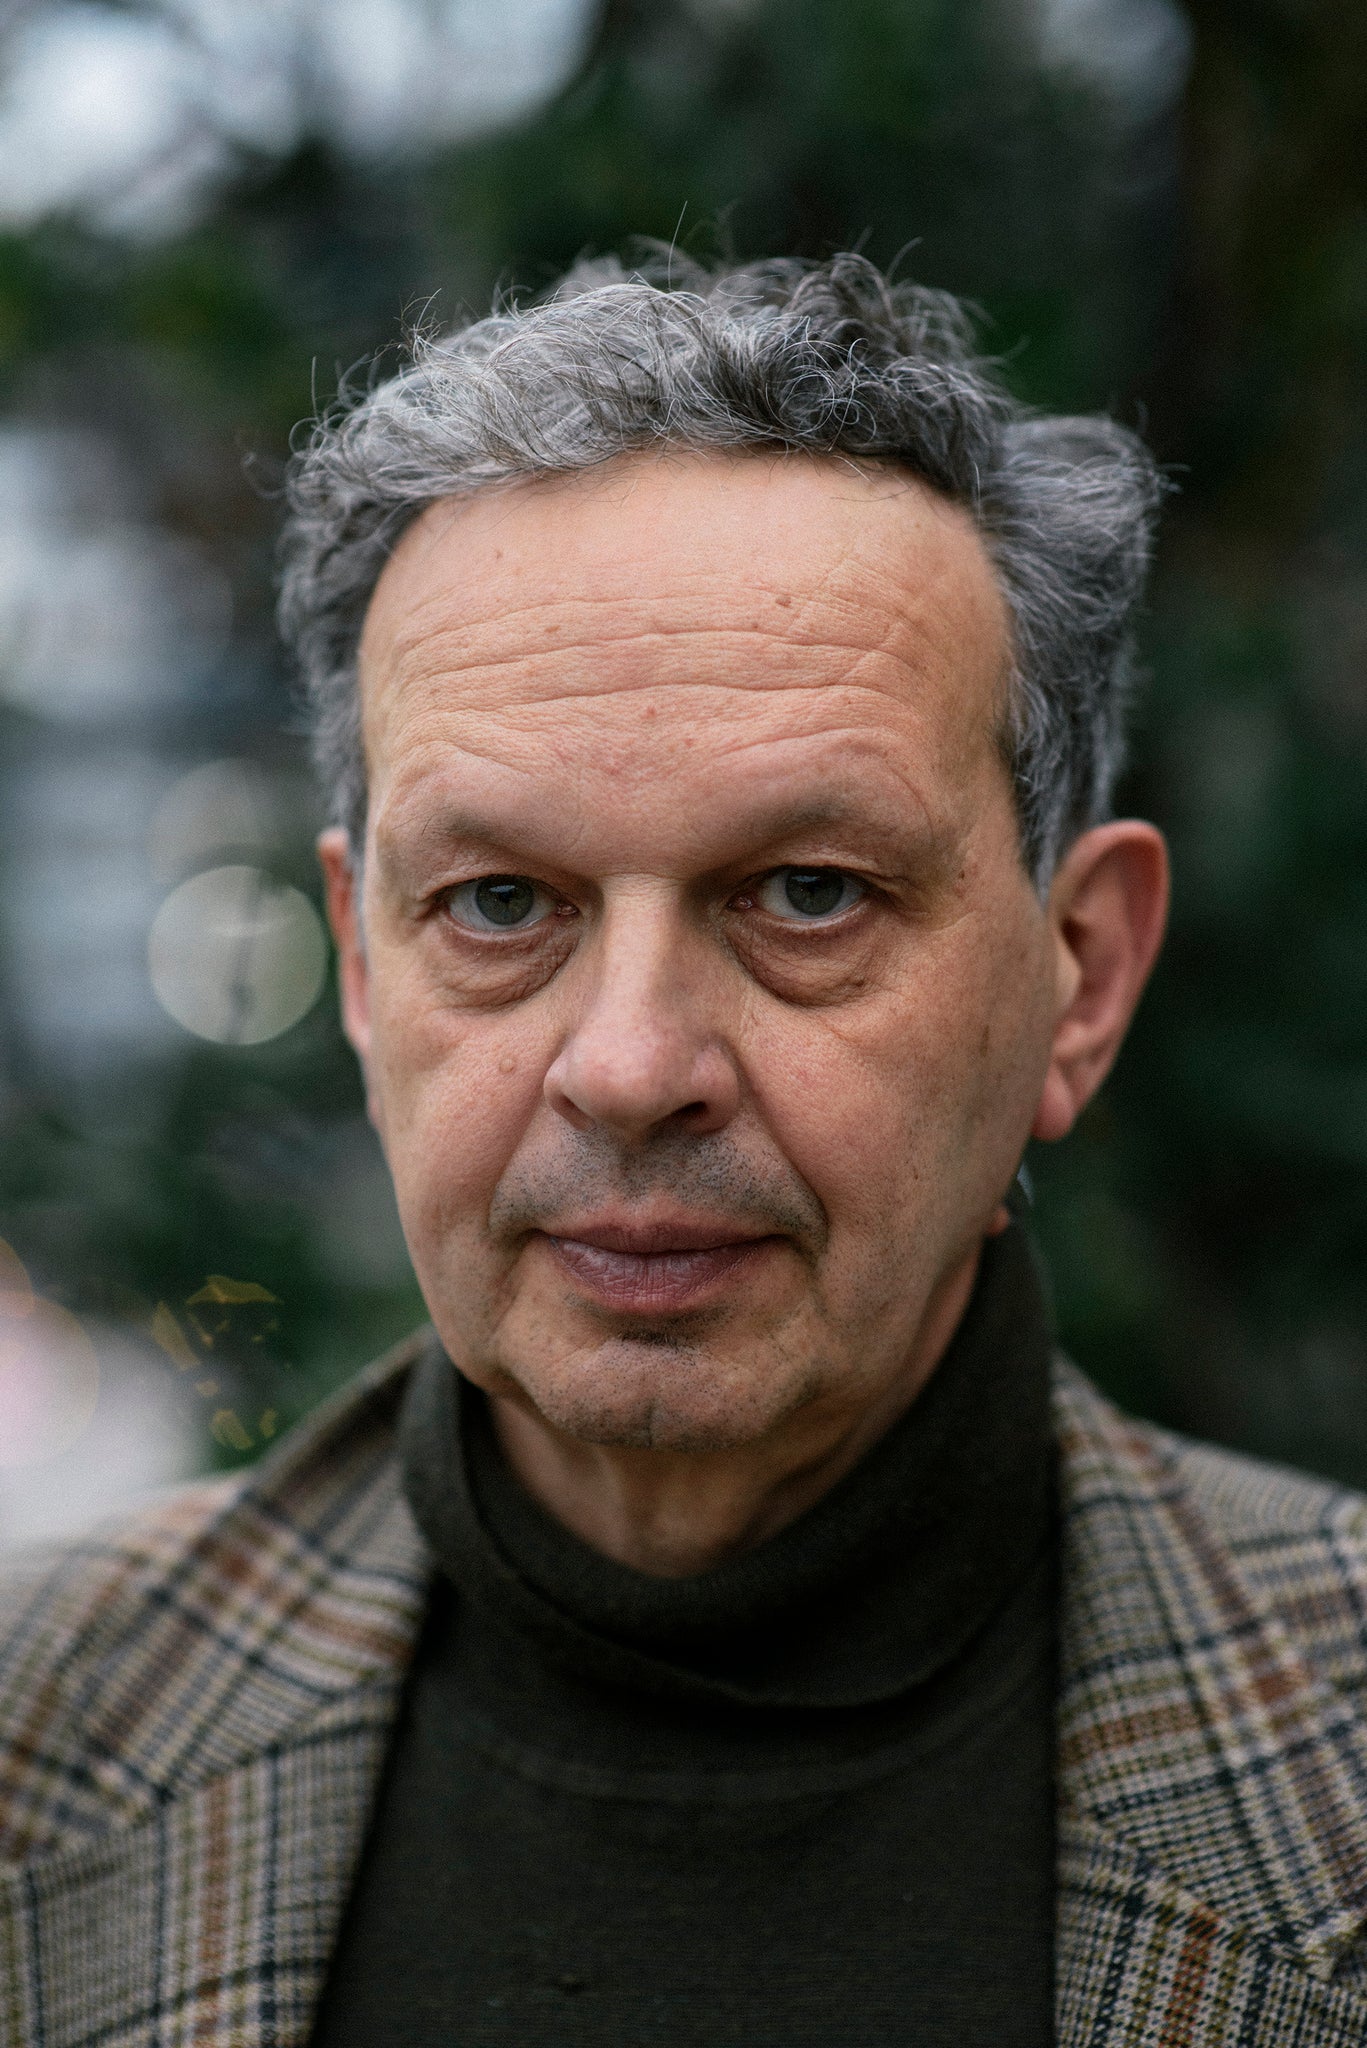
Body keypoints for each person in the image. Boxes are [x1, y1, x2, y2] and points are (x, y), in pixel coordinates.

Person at [3, 253, 1367, 2048]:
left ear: (1080, 976)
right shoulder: (37, 1754)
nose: (633, 1065)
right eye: (500, 903)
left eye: (809, 893)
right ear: (356, 963)